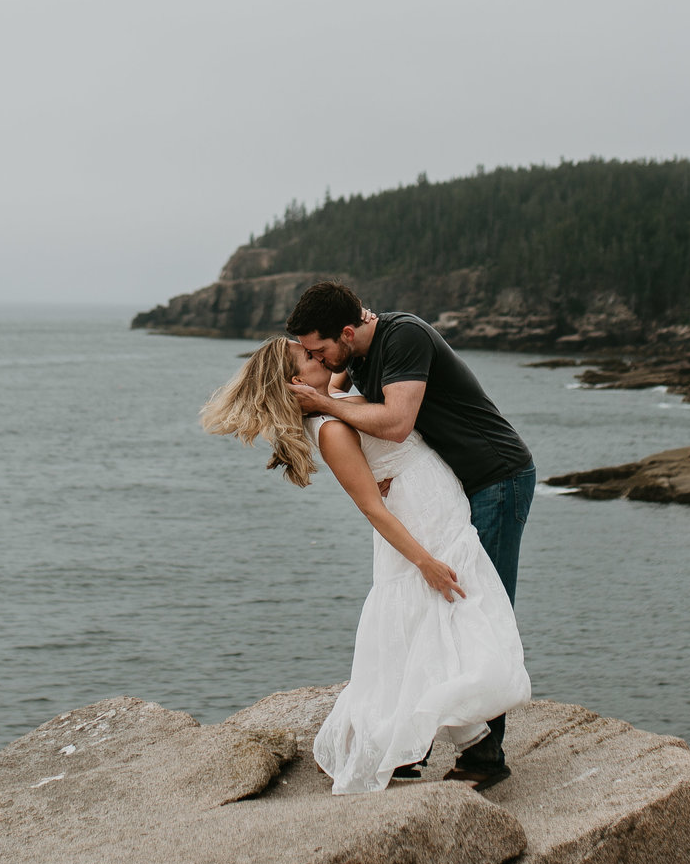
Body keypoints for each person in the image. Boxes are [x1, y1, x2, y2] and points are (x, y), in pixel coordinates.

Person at [200, 336, 530, 793]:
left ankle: (431, 748)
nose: (323, 359)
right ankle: (447, 747)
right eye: (311, 358)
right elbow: (373, 508)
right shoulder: (330, 427)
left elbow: (339, 370)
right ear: (298, 382)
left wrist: (346, 339)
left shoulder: (327, 399)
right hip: (418, 521)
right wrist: (425, 563)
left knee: (431, 623)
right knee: (439, 618)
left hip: (430, 502)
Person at [284, 282, 536, 786]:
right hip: (454, 487)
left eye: (319, 348)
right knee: (450, 606)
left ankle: (484, 757)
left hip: (496, 477)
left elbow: (396, 424)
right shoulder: (351, 359)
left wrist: (326, 404)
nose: (318, 359)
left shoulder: (402, 337)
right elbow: (377, 431)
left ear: (348, 332)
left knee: (473, 606)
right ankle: (420, 742)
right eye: (309, 354)